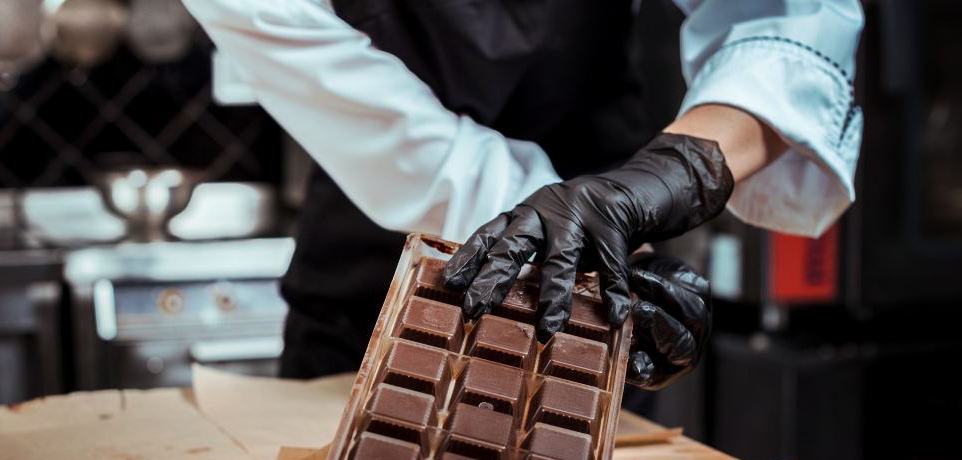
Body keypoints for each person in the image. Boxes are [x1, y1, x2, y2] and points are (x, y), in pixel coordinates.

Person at [181, 0, 864, 388]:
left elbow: (784, 20)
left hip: (599, 243)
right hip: (380, 284)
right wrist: (611, 254)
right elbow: (419, 151)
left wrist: (673, 177)